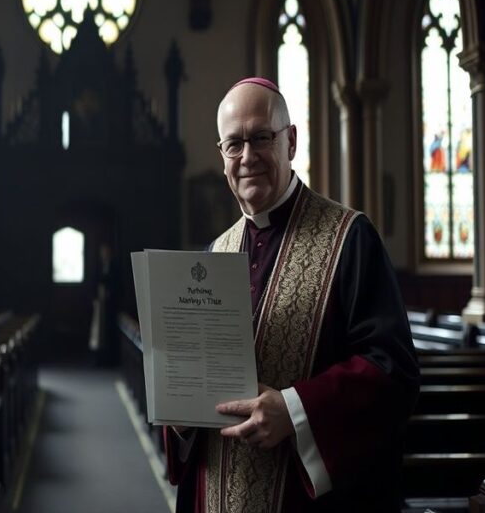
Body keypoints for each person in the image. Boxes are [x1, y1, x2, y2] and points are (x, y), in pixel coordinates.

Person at [163, 77, 420, 512]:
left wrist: (296, 411)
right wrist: (180, 414)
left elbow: (392, 372)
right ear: (221, 155)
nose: (248, 157)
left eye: (261, 137)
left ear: (291, 141)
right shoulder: (211, 255)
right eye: (234, 144)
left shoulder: (351, 239)